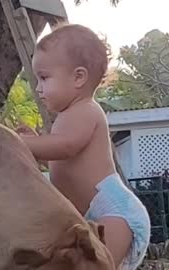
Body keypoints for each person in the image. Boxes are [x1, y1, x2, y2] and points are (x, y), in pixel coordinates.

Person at [16, 24, 151, 270]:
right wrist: (36, 141)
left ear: (79, 77)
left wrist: (19, 142)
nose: (38, 88)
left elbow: (65, 147)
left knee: (99, 266)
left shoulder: (86, 110)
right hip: (89, 214)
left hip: (114, 212)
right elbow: (62, 162)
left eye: (44, 78)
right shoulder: (68, 117)